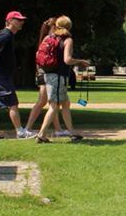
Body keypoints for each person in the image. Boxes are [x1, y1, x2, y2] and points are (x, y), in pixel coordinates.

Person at [35, 15, 90, 143]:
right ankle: (41, 135)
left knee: (65, 104)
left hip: (48, 74)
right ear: (69, 26)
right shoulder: (67, 39)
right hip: (59, 76)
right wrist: (80, 61)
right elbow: (67, 60)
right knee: (54, 106)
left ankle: (72, 133)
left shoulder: (48, 38)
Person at [0, 10, 30, 139]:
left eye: (21, 20)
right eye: (18, 20)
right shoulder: (5, 35)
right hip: (1, 75)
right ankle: (20, 132)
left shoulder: (7, 35)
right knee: (12, 103)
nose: (21, 22)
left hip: (0, 75)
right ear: (9, 21)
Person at [22, 17, 63, 137]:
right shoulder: (50, 39)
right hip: (47, 73)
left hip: (42, 73)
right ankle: (28, 128)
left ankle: (58, 129)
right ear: (54, 27)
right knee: (45, 101)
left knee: (50, 102)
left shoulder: (44, 40)